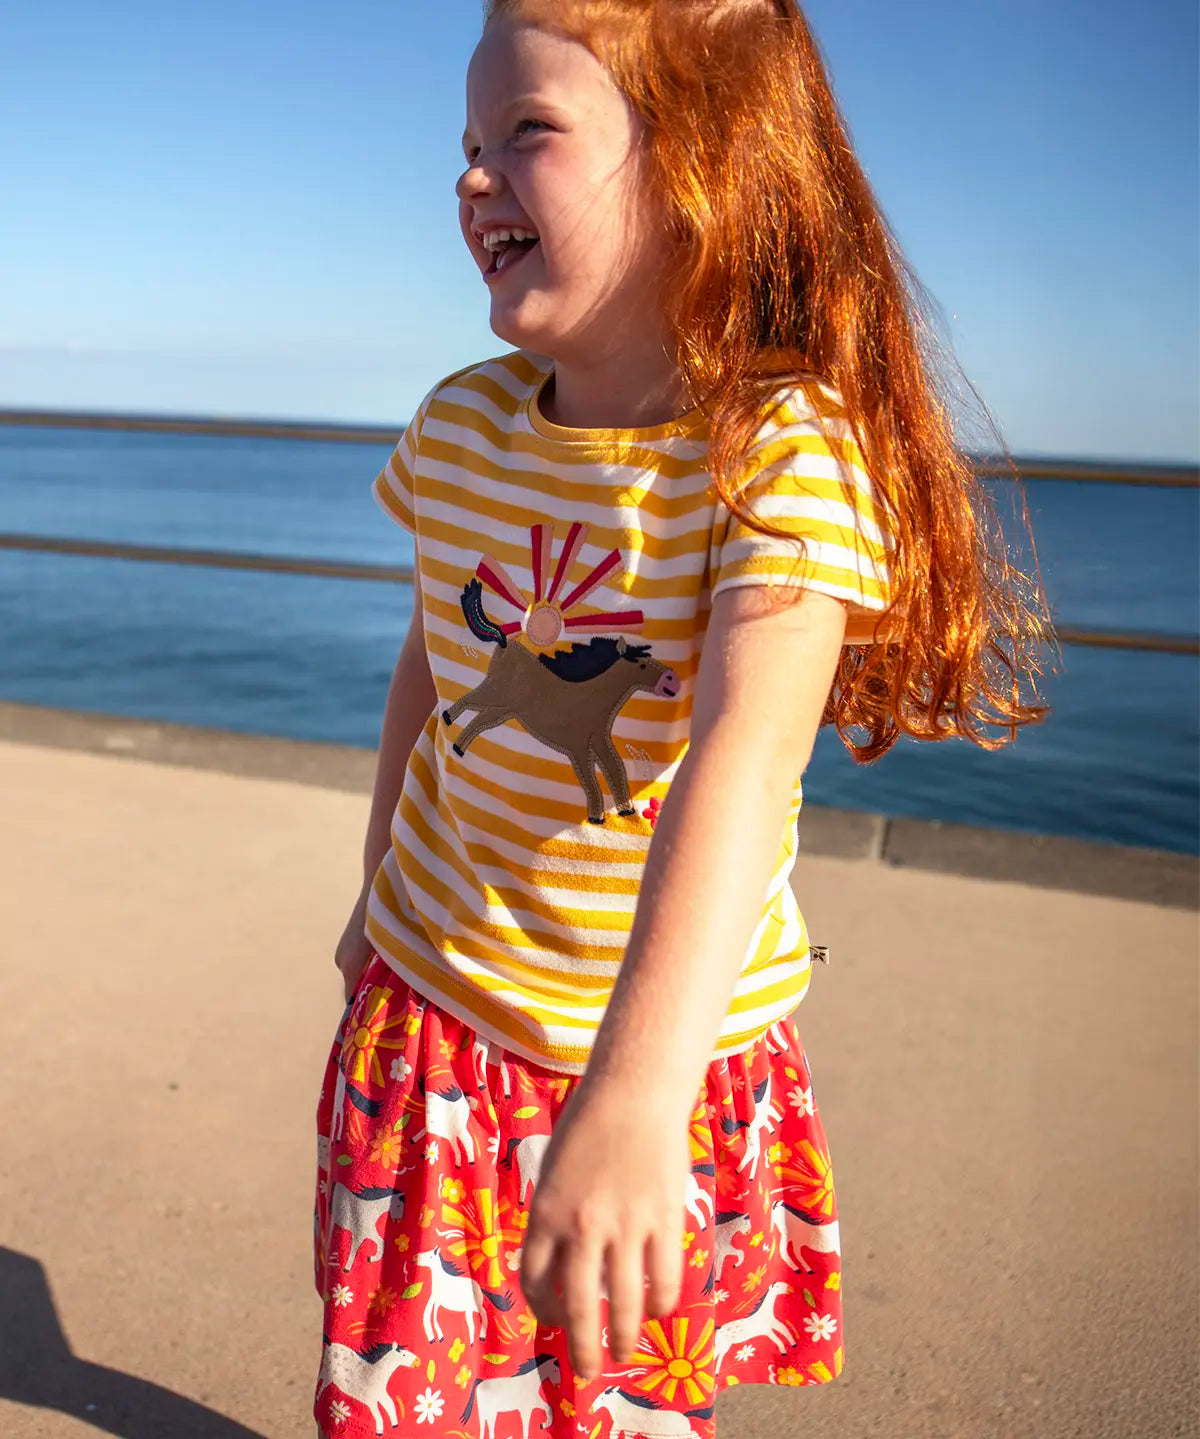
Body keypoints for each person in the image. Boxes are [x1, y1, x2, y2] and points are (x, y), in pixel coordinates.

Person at [312, 3, 1047, 1435]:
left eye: (525, 130)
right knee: (403, 1392)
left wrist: (639, 1092)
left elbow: (744, 757)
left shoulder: (781, 453)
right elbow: (435, 675)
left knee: (614, 1402)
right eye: (466, 143)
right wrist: (372, 892)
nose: (471, 176)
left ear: (705, 163)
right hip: (434, 1012)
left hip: (656, 1041)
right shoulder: (462, 426)